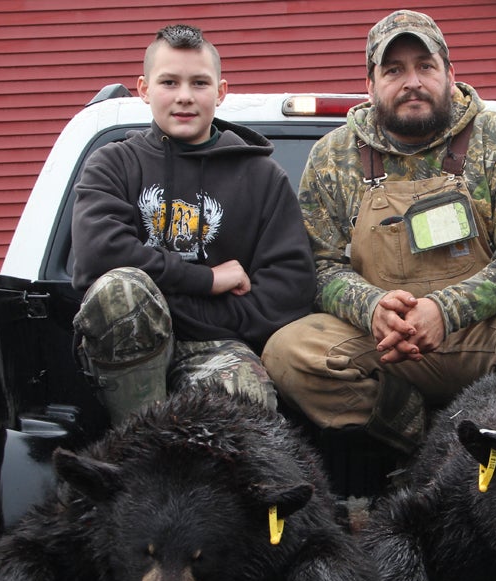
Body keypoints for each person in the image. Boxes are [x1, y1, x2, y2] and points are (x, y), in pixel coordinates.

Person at [262, 10, 496, 454]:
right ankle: (426, 446)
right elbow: (319, 266)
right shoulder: (333, 156)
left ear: (449, 73)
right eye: (394, 70)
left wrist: (444, 311)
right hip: (386, 344)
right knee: (288, 350)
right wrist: (371, 307)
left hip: (485, 334)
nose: (413, 82)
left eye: (426, 66)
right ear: (370, 85)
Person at [71, 24, 314, 423]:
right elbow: (99, 255)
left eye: (199, 82)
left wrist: (178, 311)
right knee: (122, 291)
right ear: (144, 88)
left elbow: (288, 293)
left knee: (246, 396)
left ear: (220, 91)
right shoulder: (113, 164)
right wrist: (208, 281)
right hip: (121, 348)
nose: (184, 96)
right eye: (169, 81)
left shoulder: (263, 178)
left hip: (217, 346)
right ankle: (139, 452)